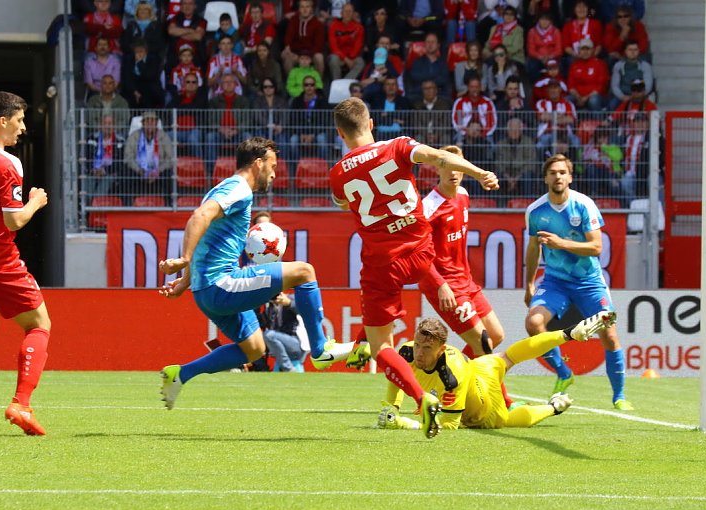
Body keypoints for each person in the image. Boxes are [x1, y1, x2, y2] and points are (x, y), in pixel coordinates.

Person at [330, 97, 499, 438]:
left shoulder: (337, 174)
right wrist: (479, 173)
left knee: (383, 347)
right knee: (477, 330)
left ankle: (421, 399)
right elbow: (438, 156)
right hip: (422, 252)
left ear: (340, 134)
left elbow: (343, 201)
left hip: (383, 262)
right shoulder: (398, 146)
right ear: (372, 123)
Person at [157, 137, 354, 408]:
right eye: (272, 166)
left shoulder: (223, 189)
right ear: (258, 163)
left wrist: (185, 283)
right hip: (221, 285)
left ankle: (181, 374)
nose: (274, 174)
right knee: (305, 272)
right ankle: (321, 349)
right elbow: (199, 218)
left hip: (206, 291)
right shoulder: (239, 189)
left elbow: (206, 235)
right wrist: (183, 259)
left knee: (255, 348)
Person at [368, 314, 617, 431]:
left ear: (442, 349)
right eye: (418, 344)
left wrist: (403, 424)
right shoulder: (407, 352)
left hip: (482, 402)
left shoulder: (449, 374)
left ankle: (554, 407)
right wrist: (393, 408)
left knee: (508, 421)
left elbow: (450, 424)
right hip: (479, 367)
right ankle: (568, 333)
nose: (419, 352)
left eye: (427, 348)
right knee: (508, 356)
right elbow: (395, 376)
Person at [523, 154, 633, 410]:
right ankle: (563, 372)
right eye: (553, 172)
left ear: (570, 177)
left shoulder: (583, 205)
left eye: (562, 172)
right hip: (555, 282)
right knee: (533, 323)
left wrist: (560, 243)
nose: (558, 176)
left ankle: (619, 396)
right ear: (545, 178)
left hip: (589, 282)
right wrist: (529, 284)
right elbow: (532, 248)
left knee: (609, 334)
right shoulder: (536, 211)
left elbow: (596, 247)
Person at [0, 92, 51, 436]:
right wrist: (35, 202)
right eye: (19, 120)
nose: (22, 128)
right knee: (39, 324)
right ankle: (21, 403)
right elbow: (12, 221)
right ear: (2, 121)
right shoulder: (7, 163)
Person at [419, 145, 504, 356]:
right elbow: (417, 252)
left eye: (458, 167)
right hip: (445, 286)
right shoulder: (429, 206)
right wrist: (441, 285)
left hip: (466, 282)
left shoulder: (463, 195)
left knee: (496, 335)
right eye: (447, 166)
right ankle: (496, 391)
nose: (453, 172)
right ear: (437, 169)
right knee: (483, 344)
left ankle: (451, 376)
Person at [327, 3, 366, 81]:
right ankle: (336, 82)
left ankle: (345, 83)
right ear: (341, 13)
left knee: (361, 62)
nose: (348, 14)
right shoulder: (333, 25)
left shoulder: (359, 27)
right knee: (333, 59)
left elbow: (358, 45)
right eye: (345, 11)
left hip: (352, 57)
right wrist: (345, 59)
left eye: (350, 11)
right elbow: (333, 47)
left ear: (353, 14)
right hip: (338, 56)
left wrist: (350, 58)